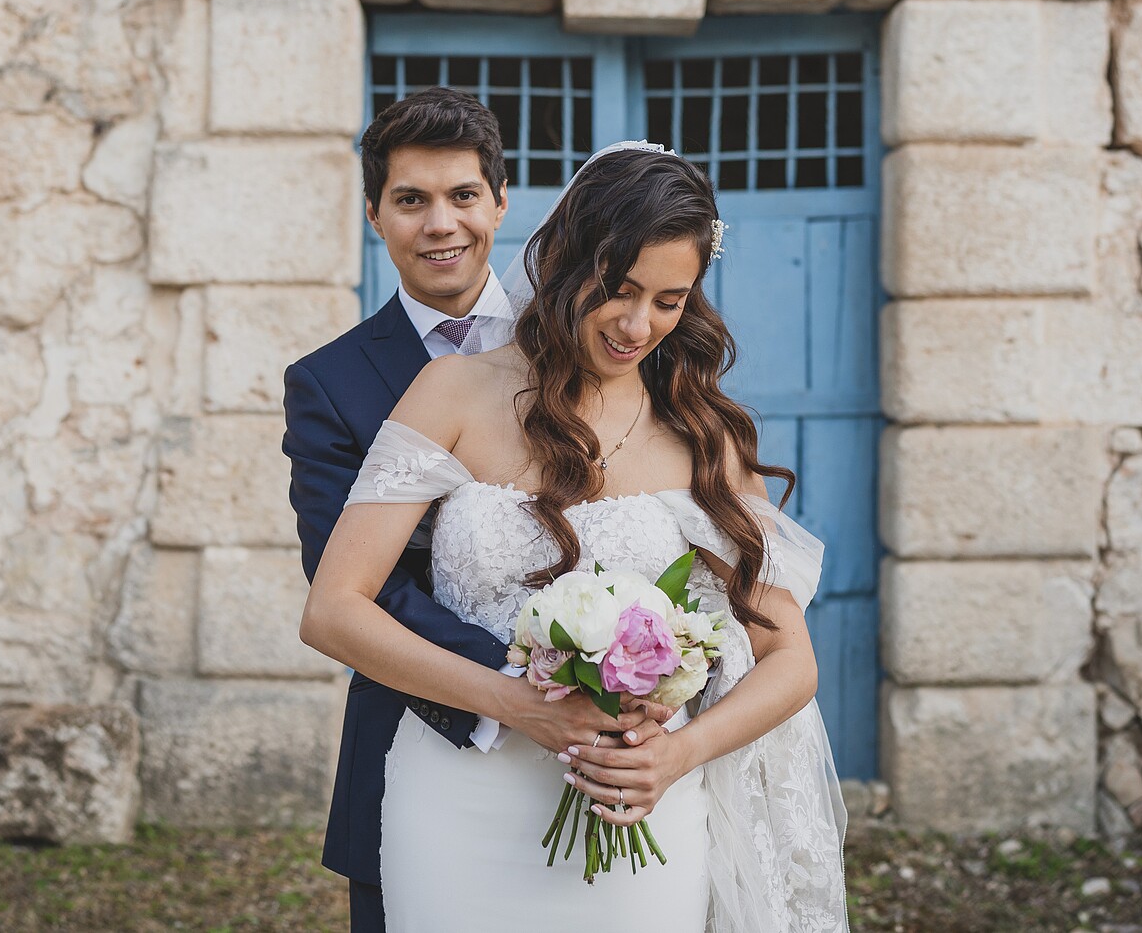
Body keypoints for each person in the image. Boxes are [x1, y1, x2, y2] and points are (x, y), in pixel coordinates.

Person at [301, 141, 850, 932]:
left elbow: (789, 660)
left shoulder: (705, 435)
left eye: (669, 301)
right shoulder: (452, 391)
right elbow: (334, 610)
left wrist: (678, 755)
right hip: (460, 802)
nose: (637, 325)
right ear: (564, 261)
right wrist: (514, 703)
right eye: (618, 291)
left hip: (645, 809)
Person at [285, 92, 673, 933]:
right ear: (373, 216)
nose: (439, 224)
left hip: (614, 748)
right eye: (410, 200)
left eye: (462, 195)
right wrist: (535, 682)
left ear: (501, 202)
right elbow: (354, 584)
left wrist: (630, 677)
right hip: (424, 734)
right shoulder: (329, 384)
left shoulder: (600, 330)